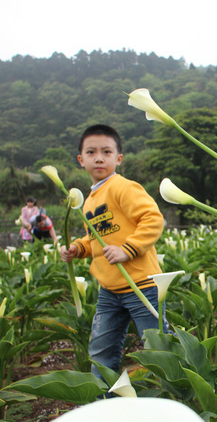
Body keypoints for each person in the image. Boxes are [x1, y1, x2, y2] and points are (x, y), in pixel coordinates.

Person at [59, 124, 165, 384]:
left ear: (118, 159)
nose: (99, 158)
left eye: (106, 152)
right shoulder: (90, 200)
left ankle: (175, 398)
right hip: (110, 289)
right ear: (81, 160)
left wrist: (127, 250)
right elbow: (95, 237)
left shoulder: (123, 187)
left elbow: (152, 219)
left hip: (141, 284)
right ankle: (103, 402)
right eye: (91, 152)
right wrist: (78, 248)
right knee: (101, 351)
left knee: (160, 349)